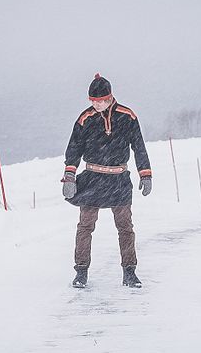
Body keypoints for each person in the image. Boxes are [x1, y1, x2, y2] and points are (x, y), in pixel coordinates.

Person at [61, 73, 152, 288]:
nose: (97, 105)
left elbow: (138, 146)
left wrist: (145, 173)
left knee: (125, 227)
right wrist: (69, 176)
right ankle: (81, 272)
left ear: (110, 97)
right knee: (85, 227)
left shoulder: (127, 116)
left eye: (101, 100)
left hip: (119, 180)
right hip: (93, 179)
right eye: (93, 101)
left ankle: (129, 272)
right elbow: (74, 148)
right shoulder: (85, 118)